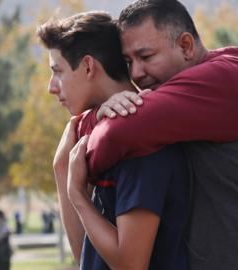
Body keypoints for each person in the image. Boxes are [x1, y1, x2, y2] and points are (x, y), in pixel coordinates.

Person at [79, 1, 238, 269]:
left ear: (186, 46)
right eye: (128, 61)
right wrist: (97, 115)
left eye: (146, 57)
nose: (136, 74)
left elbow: (117, 134)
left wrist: (80, 141)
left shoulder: (224, 78)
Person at [37, 11, 190, 269]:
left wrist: (78, 195)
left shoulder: (140, 137)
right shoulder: (99, 136)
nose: (51, 86)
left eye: (58, 71)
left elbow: (130, 264)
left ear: (88, 66)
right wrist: (62, 168)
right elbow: (83, 253)